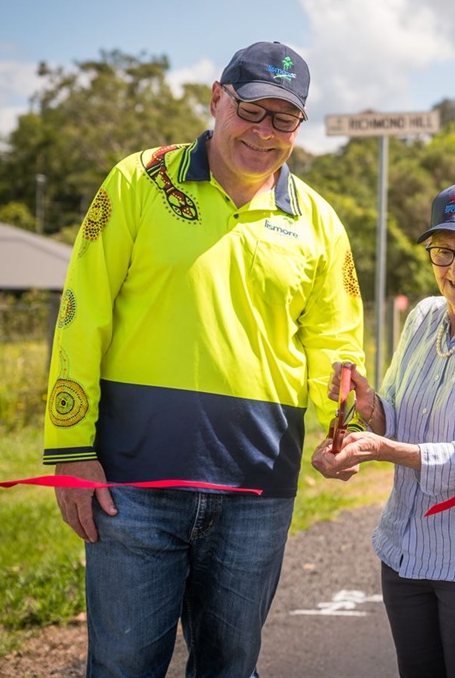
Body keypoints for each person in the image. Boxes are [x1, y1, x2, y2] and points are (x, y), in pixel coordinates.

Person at [42, 41, 365, 677]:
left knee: (229, 666)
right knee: (123, 667)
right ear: (217, 99)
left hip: (257, 490)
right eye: (251, 110)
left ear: (299, 127)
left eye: (284, 119)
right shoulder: (138, 182)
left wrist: (342, 426)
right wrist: (70, 448)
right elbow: (82, 315)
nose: (263, 132)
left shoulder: (320, 223)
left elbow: (337, 345)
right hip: (132, 487)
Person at [313, 180, 455, 678]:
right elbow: (397, 413)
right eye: (443, 252)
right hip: (404, 553)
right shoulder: (422, 317)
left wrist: (383, 448)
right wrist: (369, 405)